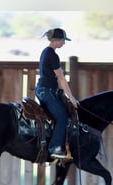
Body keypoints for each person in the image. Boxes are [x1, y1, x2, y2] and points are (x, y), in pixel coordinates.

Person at [35, 28, 79, 159]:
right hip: (47, 91)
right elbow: (60, 77)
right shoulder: (52, 55)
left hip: (42, 90)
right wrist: (71, 98)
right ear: (57, 40)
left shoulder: (45, 52)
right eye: (63, 40)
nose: (64, 43)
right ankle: (54, 147)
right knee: (62, 117)